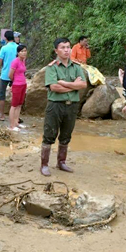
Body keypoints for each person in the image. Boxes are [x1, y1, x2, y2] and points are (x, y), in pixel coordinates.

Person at [40, 38, 87, 176]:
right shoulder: (51, 67)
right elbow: (54, 87)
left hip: (72, 106)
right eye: (63, 47)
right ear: (56, 50)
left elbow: (83, 85)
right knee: (49, 135)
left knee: (66, 135)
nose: (66, 50)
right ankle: (44, 165)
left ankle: (61, 162)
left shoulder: (77, 67)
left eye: (68, 47)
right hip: (55, 105)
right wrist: (73, 86)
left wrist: (64, 84)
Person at [0, 30, 18, 121]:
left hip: (5, 75)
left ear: (6, 38)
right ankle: (16, 116)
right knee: (15, 95)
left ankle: (2, 116)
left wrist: (4, 64)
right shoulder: (19, 47)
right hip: (15, 75)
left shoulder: (4, 48)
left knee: (1, 95)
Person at [8, 45, 28, 131]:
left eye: (25, 51)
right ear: (18, 52)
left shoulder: (23, 60)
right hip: (17, 85)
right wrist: (14, 81)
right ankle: (12, 126)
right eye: (22, 51)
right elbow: (10, 75)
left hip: (23, 84)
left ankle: (16, 122)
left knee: (19, 104)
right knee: (14, 105)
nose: (24, 52)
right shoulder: (15, 61)